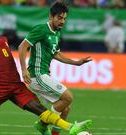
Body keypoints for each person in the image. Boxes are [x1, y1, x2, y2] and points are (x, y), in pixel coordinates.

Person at [0, 2, 92, 135]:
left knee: (42, 111)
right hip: (0, 87)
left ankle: (70, 127)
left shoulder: (3, 40)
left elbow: (52, 52)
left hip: (16, 86)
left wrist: (76, 62)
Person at [18, 2, 92, 135]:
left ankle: (53, 133)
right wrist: (24, 70)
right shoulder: (41, 29)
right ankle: (42, 124)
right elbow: (22, 46)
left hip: (44, 75)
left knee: (65, 109)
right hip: (37, 75)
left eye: (64, 18)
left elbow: (56, 54)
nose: (62, 21)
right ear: (50, 16)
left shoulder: (57, 33)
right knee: (68, 97)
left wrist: (76, 63)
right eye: (59, 17)